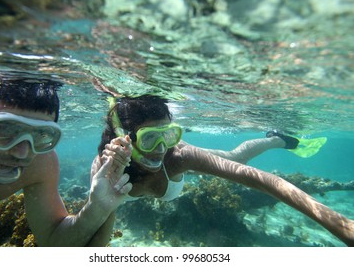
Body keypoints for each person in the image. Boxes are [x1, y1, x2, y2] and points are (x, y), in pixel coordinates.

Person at [91, 95, 354, 246]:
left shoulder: (178, 155)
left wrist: (341, 225)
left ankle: (277, 139)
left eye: (169, 135)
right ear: (125, 138)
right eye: (150, 139)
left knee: (236, 158)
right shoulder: (107, 169)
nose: (161, 148)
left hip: (179, 170)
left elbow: (260, 179)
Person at [0, 66, 132, 246]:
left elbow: (54, 241)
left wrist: (97, 207)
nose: (22, 152)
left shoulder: (41, 163)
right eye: (6, 129)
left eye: (41, 135)